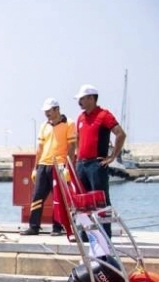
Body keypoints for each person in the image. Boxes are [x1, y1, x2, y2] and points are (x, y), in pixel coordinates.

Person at [74, 84, 126, 238]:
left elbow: (120, 134)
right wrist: (77, 157)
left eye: (82, 99)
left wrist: (112, 157)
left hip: (96, 165)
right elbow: (78, 138)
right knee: (83, 202)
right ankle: (86, 235)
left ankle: (105, 235)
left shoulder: (104, 115)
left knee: (101, 202)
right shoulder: (81, 117)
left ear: (91, 98)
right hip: (81, 165)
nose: (80, 102)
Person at [20, 98, 76, 236]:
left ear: (57, 109)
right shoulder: (44, 125)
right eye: (45, 111)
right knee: (37, 196)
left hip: (59, 165)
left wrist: (68, 166)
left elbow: (72, 146)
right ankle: (34, 226)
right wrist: (35, 168)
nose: (46, 114)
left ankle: (58, 227)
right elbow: (39, 148)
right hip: (43, 165)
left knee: (59, 198)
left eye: (49, 111)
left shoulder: (69, 123)